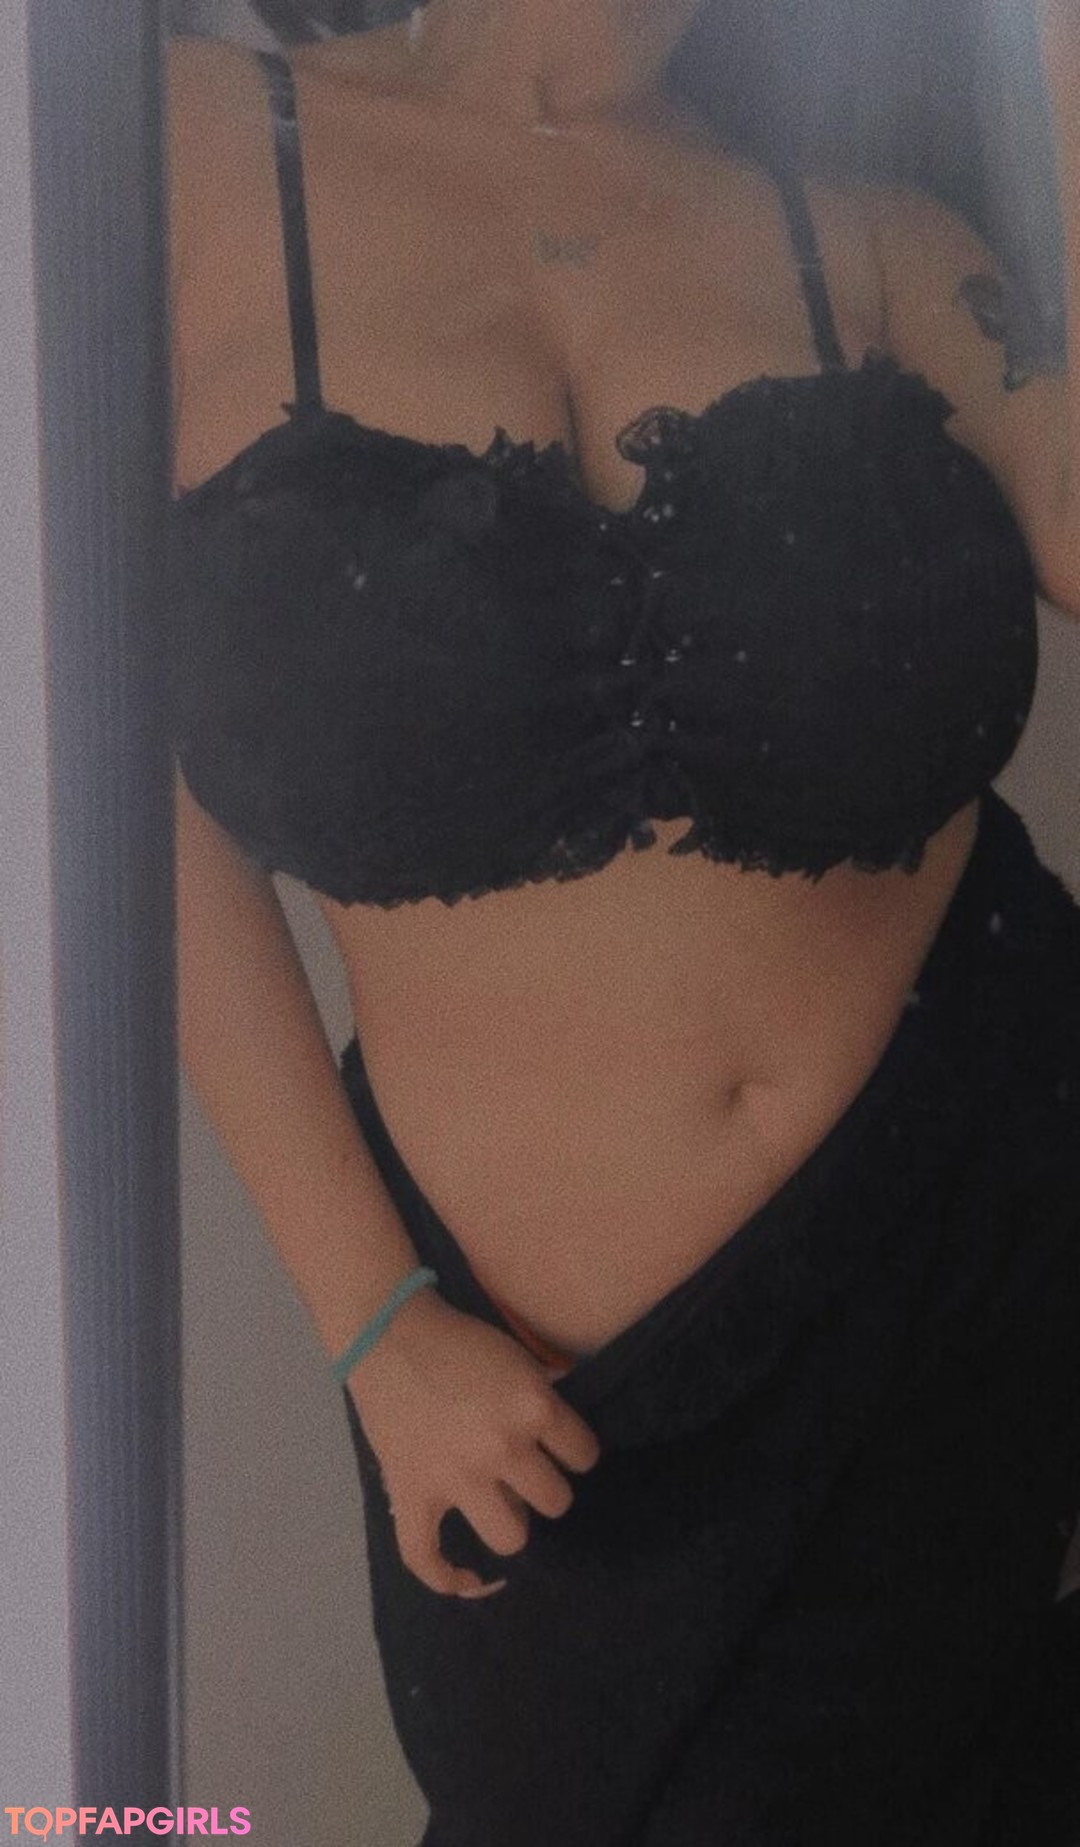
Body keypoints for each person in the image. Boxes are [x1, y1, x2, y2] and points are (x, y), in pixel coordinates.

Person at [164, 1, 1080, 1840]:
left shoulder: (874, 227)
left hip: (978, 1252)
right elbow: (111, 800)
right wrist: (373, 1320)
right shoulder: (177, 151)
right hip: (543, 1396)